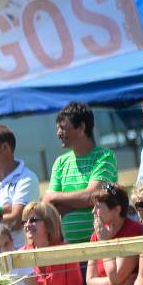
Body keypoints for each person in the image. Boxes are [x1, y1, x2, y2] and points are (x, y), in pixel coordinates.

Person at [43, 102, 119, 245]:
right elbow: (48, 207)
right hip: (71, 252)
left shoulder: (105, 157)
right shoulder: (60, 162)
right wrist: (85, 200)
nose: (58, 133)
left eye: (63, 128)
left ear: (82, 128)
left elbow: (94, 195)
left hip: (101, 247)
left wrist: (56, 197)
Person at [72, 185, 143, 285]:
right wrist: (114, 283)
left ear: (117, 210)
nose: (93, 212)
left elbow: (116, 276)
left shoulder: (132, 232)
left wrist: (105, 243)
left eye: (98, 207)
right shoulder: (97, 235)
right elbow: (91, 283)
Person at [19, 201, 83, 285]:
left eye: (33, 220)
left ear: (48, 223)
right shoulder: (22, 254)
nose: (27, 225)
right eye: (24, 221)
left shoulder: (65, 252)